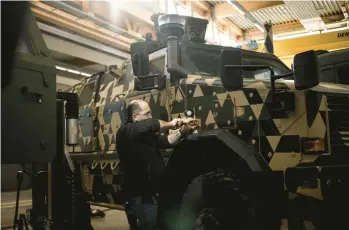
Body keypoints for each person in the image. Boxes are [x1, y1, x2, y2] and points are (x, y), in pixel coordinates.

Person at [115, 99, 197, 230]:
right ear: (134, 117)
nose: (150, 117)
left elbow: (166, 141)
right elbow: (151, 124)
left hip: (152, 194)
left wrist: (182, 131)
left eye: (150, 113)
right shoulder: (126, 131)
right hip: (139, 197)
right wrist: (171, 123)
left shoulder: (144, 135)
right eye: (146, 114)